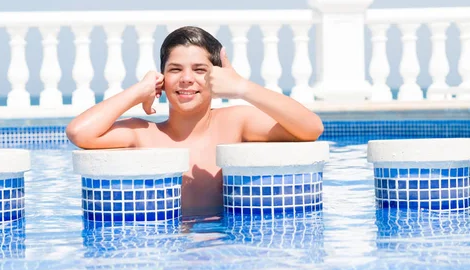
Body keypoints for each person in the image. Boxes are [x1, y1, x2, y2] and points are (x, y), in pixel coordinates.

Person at [66, 26, 324, 217]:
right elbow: (79, 133)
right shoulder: (143, 132)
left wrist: (243, 88)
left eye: (200, 70)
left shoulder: (236, 123)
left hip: (224, 250)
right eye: (175, 70)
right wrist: (137, 91)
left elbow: (311, 128)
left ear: (217, 78)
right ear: (162, 79)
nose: (187, 79)